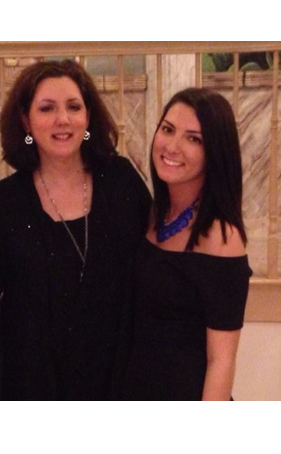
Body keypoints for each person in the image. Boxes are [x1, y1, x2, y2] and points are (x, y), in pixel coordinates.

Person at [0, 59, 151, 400]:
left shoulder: (121, 181)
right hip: (36, 387)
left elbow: (153, 268)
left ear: (88, 117)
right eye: (47, 108)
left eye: (73, 107)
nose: (62, 119)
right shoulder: (4, 202)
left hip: (121, 381)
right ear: (25, 121)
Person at [122, 87, 252, 401]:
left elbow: (221, 360)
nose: (172, 146)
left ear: (214, 153)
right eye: (168, 130)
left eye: (193, 138)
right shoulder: (153, 214)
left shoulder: (222, 236)